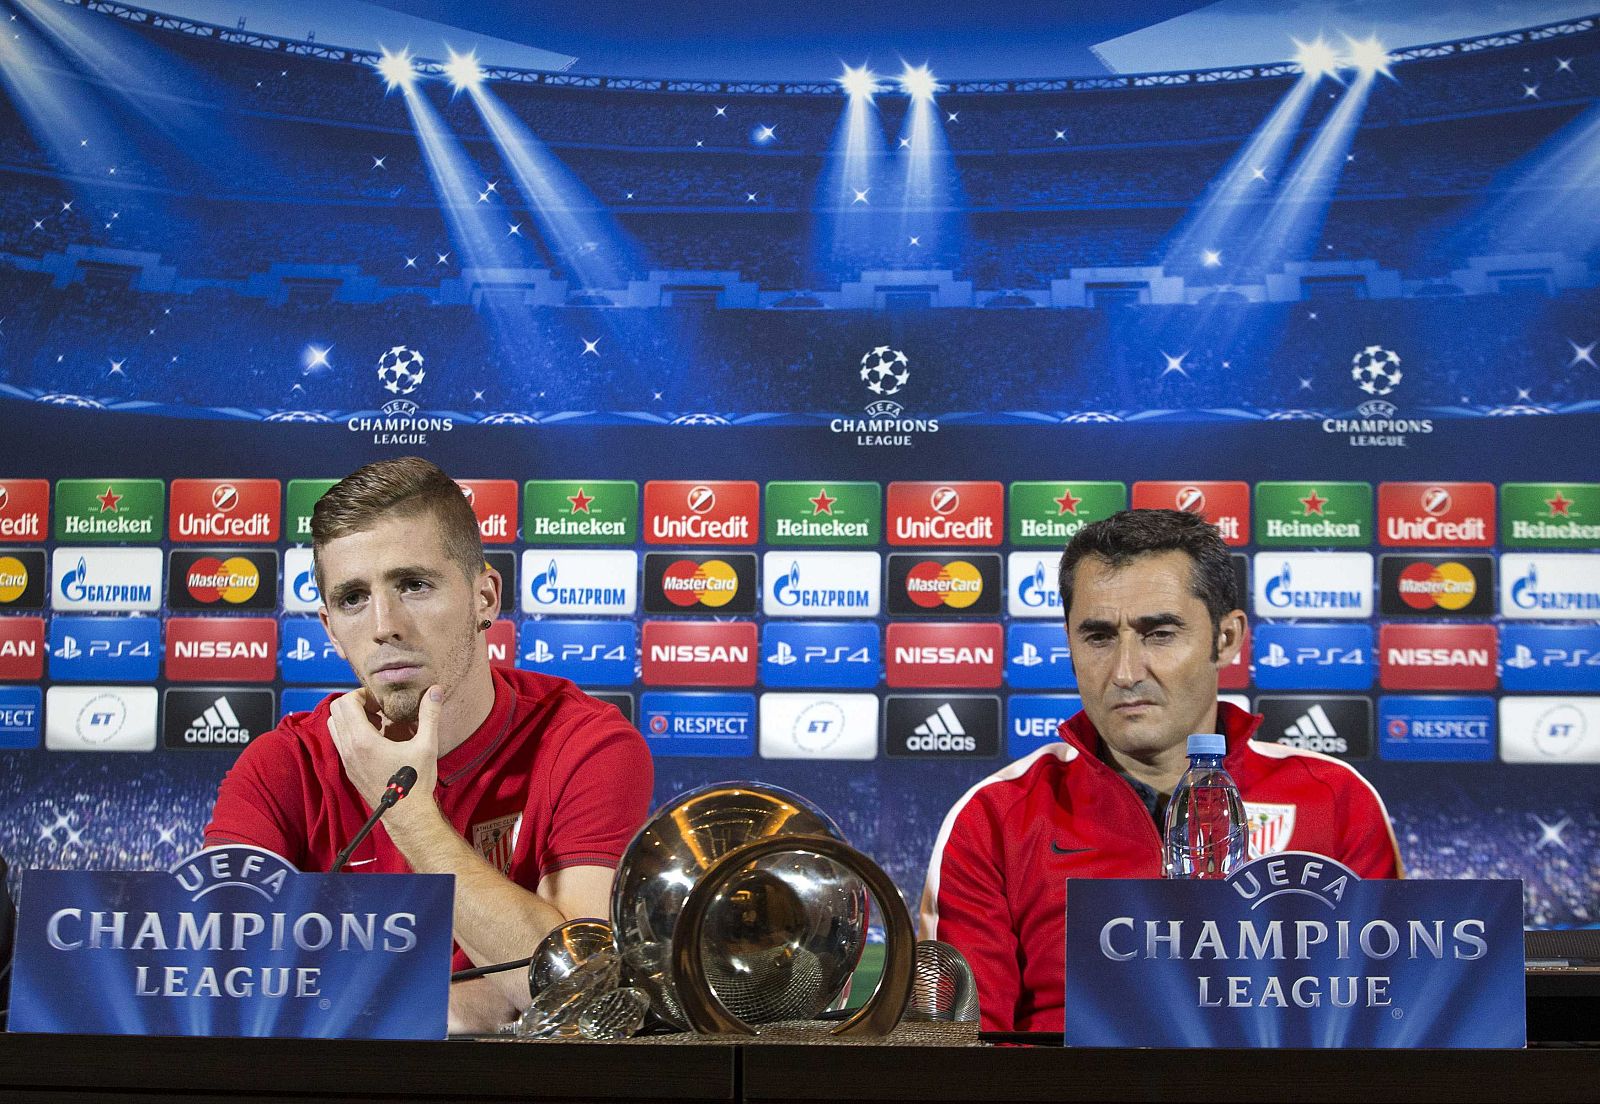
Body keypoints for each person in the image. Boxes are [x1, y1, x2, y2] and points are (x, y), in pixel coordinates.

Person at [205, 457, 653, 1033]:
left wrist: (413, 819)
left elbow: (585, 995)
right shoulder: (282, 766)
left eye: (413, 585)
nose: (383, 624)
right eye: (352, 599)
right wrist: (462, 1008)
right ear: (330, 630)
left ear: (485, 598)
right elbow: (215, 991)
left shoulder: (587, 745)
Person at [919, 508, 1400, 1033]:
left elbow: (1388, 1026)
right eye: (1099, 637)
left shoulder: (1336, 801)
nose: (1125, 672)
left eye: (1160, 634)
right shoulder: (994, 819)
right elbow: (958, 1056)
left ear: (1227, 637)